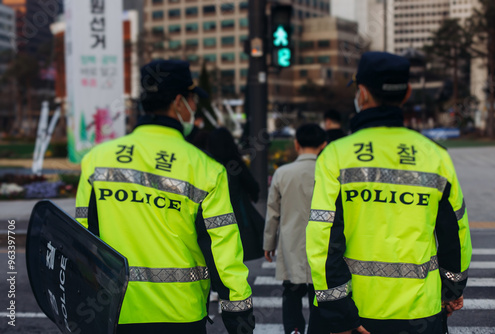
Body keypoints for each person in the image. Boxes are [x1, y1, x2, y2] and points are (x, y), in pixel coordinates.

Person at [75, 59, 254, 334]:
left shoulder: (96, 161)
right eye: (193, 100)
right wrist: (239, 316)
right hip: (182, 315)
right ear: (179, 102)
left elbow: (83, 240)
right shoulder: (206, 169)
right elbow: (224, 252)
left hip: (114, 312)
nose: (194, 108)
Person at [306, 51, 472, 334]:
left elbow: (323, 239)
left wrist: (339, 314)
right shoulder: (436, 156)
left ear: (362, 93)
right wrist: (452, 290)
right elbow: (455, 232)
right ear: (406, 93)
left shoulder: (336, 155)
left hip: (358, 313)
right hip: (422, 312)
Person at [264, 124, 327, 334]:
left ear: (296, 144)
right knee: (319, 296)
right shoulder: (329, 172)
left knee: (291, 294)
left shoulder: (282, 173)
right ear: (323, 145)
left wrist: (269, 243)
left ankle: (294, 330)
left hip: (292, 246)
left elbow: (273, 212)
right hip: (322, 246)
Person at [207, 127, 265, 262]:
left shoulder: (206, 165)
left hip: (212, 219)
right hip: (237, 219)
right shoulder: (235, 163)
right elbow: (252, 186)